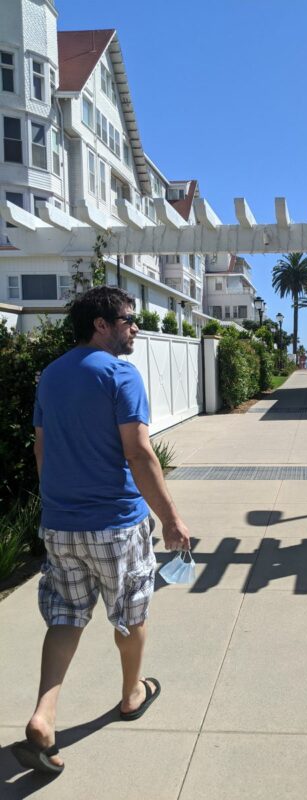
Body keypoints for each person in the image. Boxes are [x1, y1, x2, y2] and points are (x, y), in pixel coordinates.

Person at [11, 286, 190, 776]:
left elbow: (40, 449)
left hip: (61, 523)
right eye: (128, 319)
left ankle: (44, 715)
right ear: (101, 324)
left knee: (65, 617)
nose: (135, 328)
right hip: (114, 524)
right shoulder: (120, 374)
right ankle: (132, 694)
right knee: (131, 614)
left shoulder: (50, 376)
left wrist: (57, 506)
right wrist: (172, 518)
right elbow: (138, 453)